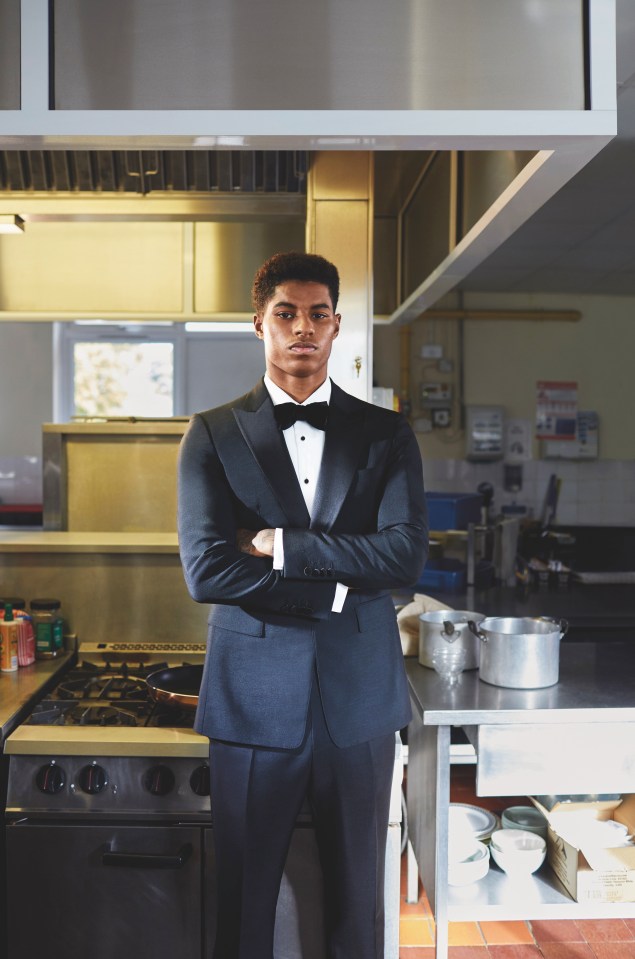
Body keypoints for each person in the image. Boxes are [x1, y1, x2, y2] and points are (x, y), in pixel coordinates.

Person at [177, 251, 428, 959]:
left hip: (359, 700)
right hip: (253, 701)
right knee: (245, 905)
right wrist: (345, 579)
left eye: (318, 314)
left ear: (337, 326)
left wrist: (282, 545)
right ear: (258, 323)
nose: (302, 329)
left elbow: (405, 556)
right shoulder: (212, 434)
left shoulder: (386, 434)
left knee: (358, 904)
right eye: (285, 313)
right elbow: (206, 569)